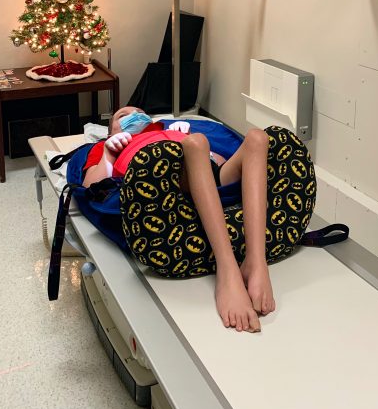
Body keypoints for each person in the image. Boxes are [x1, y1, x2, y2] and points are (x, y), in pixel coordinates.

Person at [82, 106, 274, 334]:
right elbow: (89, 186)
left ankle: (256, 261)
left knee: (258, 138)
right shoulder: (107, 146)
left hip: (210, 171)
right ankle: (228, 270)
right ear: (110, 131)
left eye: (139, 112)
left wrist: (184, 137)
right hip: (165, 181)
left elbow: (220, 158)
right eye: (123, 115)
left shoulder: (171, 129)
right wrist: (107, 154)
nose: (134, 115)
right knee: (196, 143)